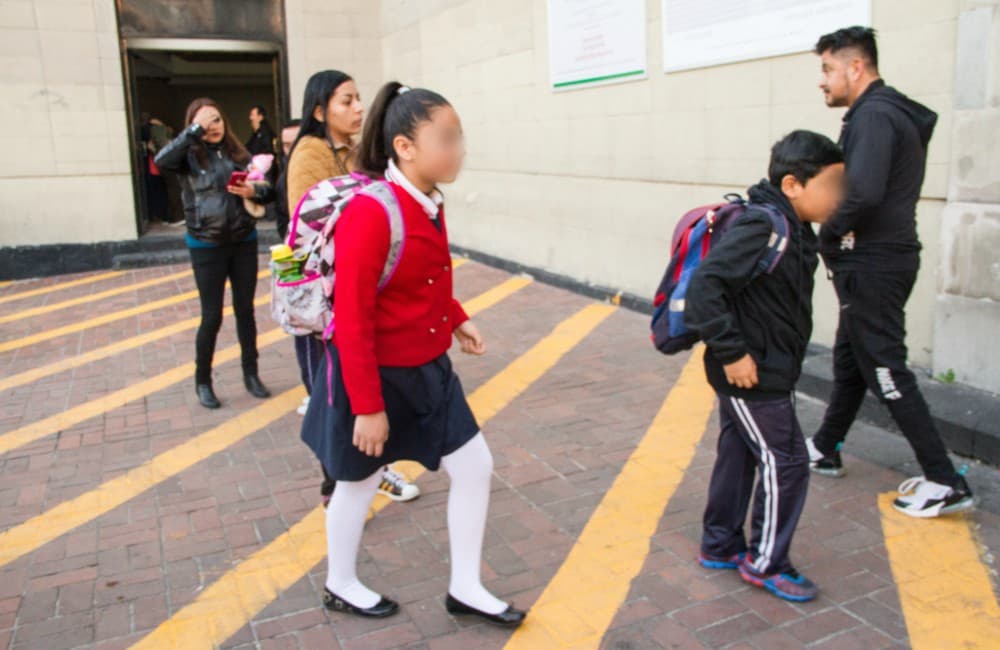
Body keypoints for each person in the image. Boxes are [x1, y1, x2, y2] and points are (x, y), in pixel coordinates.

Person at [300, 81, 527, 627]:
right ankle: (340, 582)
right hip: (373, 376)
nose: (459, 150)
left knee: (475, 466)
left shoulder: (428, 201)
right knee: (357, 481)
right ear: (404, 147)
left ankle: (465, 587)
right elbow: (353, 317)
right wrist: (367, 407)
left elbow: (421, 277)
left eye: (459, 138)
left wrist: (456, 317)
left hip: (428, 371)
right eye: (446, 139)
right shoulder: (371, 211)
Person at [808, 26, 975, 518]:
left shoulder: (875, 115)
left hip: (874, 263)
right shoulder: (884, 113)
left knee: (885, 368)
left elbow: (862, 194)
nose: (822, 81)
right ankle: (826, 446)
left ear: (856, 67)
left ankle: (945, 481)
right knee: (850, 358)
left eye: (827, 69)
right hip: (877, 260)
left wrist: (826, 236)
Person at [685, 131, 845, 602]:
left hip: (762, 366)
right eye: (832, 186)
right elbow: (706, 287)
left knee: (739, 453)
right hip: (752, 372)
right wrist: (732, 352)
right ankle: (767, 562)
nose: (839, 197)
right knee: (788, 461)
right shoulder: (765, 225)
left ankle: (720, 544)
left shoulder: (795, 226)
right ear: (793, 184)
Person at [286, 70, 420, 506]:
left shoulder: (353, 151)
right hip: (323, 300)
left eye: (359, 98)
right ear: (319, 111)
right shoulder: (310, 154)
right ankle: (337, 485)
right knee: (329, 394)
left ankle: (365, 472)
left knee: (353, 386)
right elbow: (315, 226)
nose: (358, 108)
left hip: (352, 290)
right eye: (347, 101)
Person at [155, 98, 274, 409]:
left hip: (243, 240)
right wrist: (193, 132)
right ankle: (203, 381)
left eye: (216, 120)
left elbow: (268, 190)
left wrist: (255, 191)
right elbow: (162, 160)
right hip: (206, 244)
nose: (213, 127)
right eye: (205, 122)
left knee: (245, 310)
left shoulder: (239, 154)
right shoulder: (187, 157)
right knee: (212, 316)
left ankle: (251, 374)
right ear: (194, 126)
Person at [274, 119, 301, 241]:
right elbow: (283, 221)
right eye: (286, 145)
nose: (291, 150)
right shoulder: (283, 179)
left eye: (295, 143)